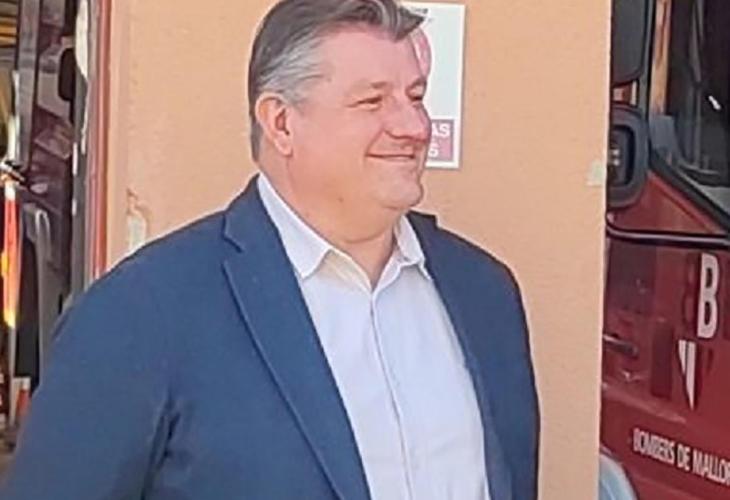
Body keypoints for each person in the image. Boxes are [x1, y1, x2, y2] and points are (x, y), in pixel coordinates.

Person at [1, 0, 539, 498]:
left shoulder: (483, 293)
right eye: (373, 101)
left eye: (416, 96)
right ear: (281, 122)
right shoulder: (140, 313)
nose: (414, 126)